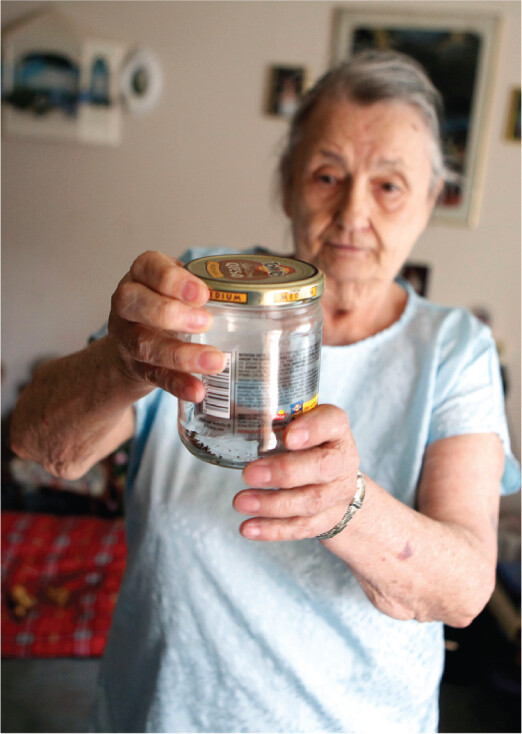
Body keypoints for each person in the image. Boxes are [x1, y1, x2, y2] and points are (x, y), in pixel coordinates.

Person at [10, 50, 520, 733]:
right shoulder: (200, 292)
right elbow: (44, 445)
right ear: (287, 184)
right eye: (326, 174)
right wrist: (125, 360)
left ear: (431, 200)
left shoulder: (455, 349)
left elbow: (462, 589)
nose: (352, 213)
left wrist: (347, 504)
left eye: (390, 186)